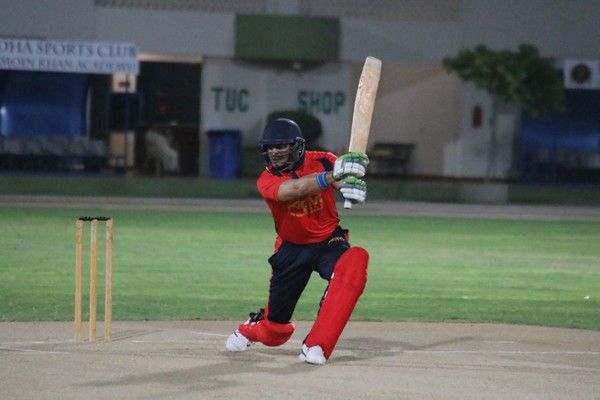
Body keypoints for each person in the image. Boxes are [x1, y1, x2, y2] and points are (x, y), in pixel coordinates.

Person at [225, 118, 370, 365]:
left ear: (297, 146)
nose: (274, 152)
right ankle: (251, 327)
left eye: (281, 146)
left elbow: (340, 178)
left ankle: (317, 344)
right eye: (270, 147)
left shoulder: (324, 160)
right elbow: (294, 190)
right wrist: (332, 177)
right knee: (275, 333)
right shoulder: (266, 180)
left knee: (354, 262)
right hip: (291, 249)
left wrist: (351, 184)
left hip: (329, 240)